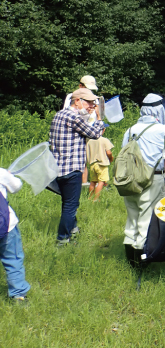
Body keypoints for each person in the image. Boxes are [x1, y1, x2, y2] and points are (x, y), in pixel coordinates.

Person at [49, 87, 106, 246]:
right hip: (72, 169)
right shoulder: (74, 117)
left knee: (67, 202)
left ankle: (74, 230)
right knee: (71, 205)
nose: (91, 106)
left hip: (58, 168)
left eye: (93, 104)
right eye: (89, 103)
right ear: (77, 101)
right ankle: (62, 239)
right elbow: (95, 134)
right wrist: (99, 118)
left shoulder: (58, 115)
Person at [121, 94, 165, 260]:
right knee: (146, 219)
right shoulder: (163, 130)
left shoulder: (130, 130)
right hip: (152, 179)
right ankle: (142, 259)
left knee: (132, 217)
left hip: (128, 179)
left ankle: (129, 256)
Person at [0, 168, 31, 304]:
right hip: (7, 227)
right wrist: (9, 175)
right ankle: (18, 295)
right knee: (13, 259)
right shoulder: (1, 173)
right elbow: (16, 186)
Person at [86, 131, 113, 201]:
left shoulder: (90, 141)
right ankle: (96, 199)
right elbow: (109, 153)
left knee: (93, 182)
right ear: (103, 130)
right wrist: (111, 159)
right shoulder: (104, 140)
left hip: (92, 164)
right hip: (102, 164)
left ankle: (90, 198)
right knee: (102, 181)